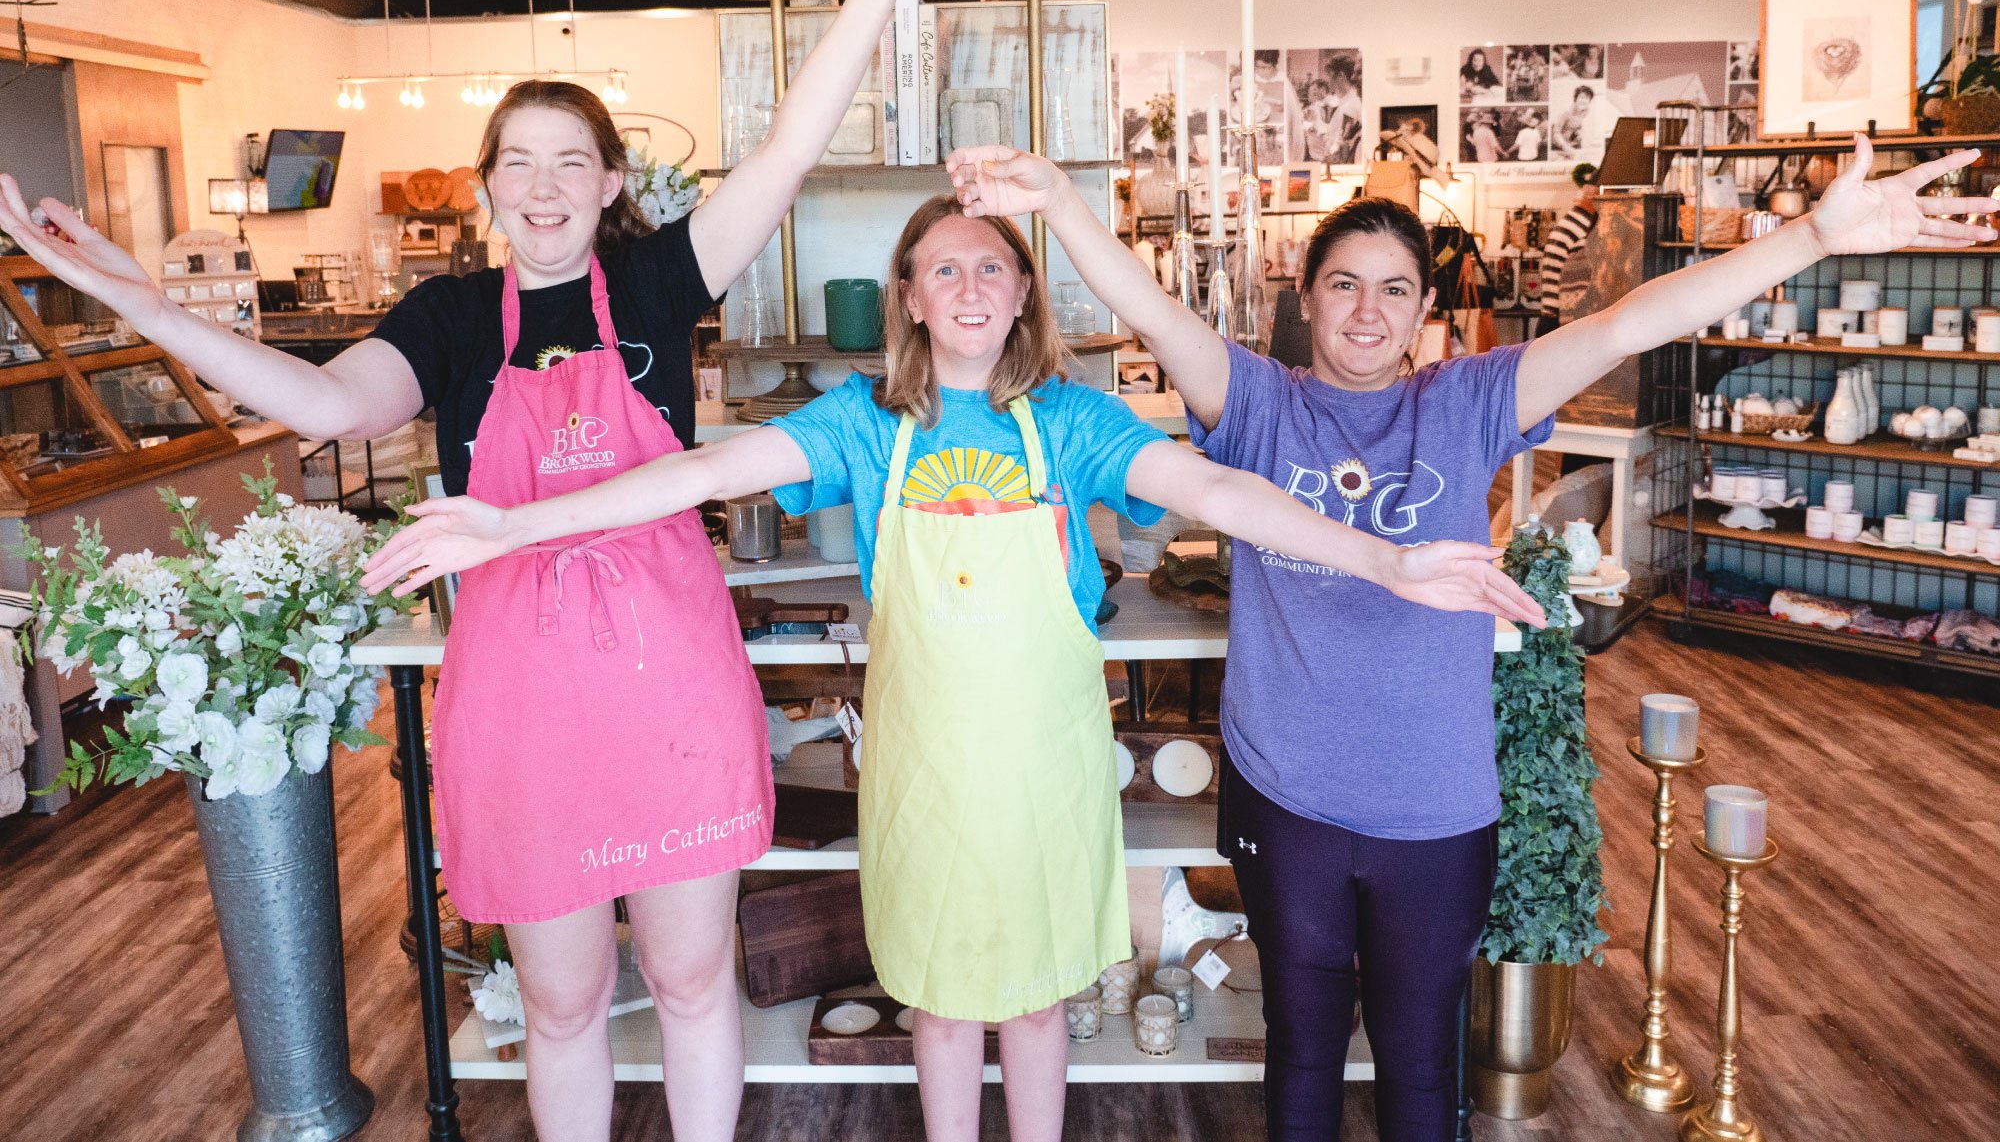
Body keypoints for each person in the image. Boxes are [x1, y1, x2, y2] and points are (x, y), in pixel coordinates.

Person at [0, 0, 963, 1142]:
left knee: (691, 980)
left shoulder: (659, 280)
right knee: (562, 1003)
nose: (550, 183)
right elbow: (321, 401)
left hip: (670, 675)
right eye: (524, 162)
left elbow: (789, 151)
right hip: (521, 704)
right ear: (491, 188)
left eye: (576, 159)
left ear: (612, 180)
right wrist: (139, 302)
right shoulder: (450, 323)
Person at [361, 192, 1545, 1142]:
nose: (969, 286)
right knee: (934, 994)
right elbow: (694, 476)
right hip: (923, 766)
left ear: (1022, 291)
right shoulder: (861, 424)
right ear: (912, 300)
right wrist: (517, 525)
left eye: (991, 266)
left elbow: (1221, 491)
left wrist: (1383, 563)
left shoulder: (1073, 422)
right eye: (944, 269)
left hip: (1044, 765)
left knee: (1033, 997)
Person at [935, 136, 1993, 1142]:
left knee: (1419, 1064)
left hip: (1434, 810)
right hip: (1286, 794)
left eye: (1393, 288)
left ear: (1425, 310)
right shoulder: (1255, 403)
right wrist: (1064, 206)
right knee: (1299, 1053)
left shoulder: (1471, 401)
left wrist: (1808, 237)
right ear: (1304, 299)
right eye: (1341, 283)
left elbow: (1631, 320)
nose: (1365, 310)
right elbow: (1151, 310)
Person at [1537, 164, 1600, 334]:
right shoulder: (1583, 228)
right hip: (1559, 323)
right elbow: (1578, 285)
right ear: (1597, 194)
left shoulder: (1573, 222)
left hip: (1551, 318)